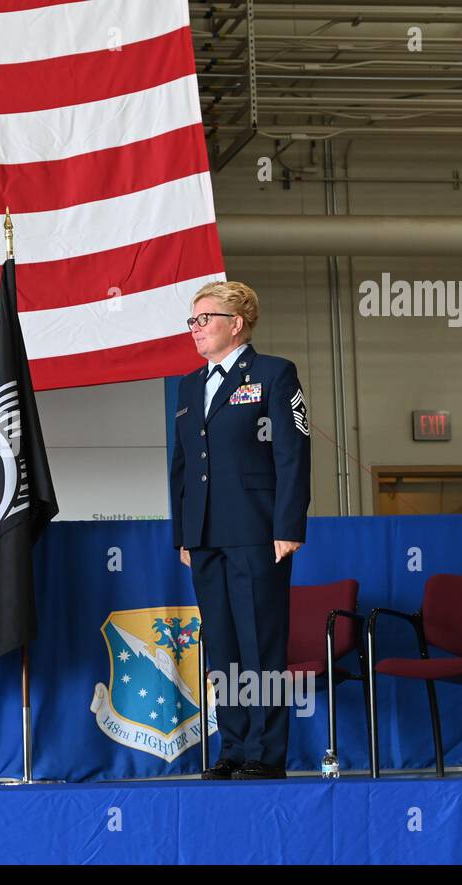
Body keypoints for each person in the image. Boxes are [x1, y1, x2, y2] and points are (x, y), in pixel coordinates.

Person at [169, 280, 310, 780]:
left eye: (204, 318)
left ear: (237, 322)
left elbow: (292, 454)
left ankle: (265, 753)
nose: (196, 329)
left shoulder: (274, 373)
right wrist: (183, 534)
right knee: (223, 647)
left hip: (256, 531)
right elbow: (181, 466)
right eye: (192, 320)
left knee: (260, 644)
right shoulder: (189, 386)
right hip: (205, 534)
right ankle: (231, 746)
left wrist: (288, 524)